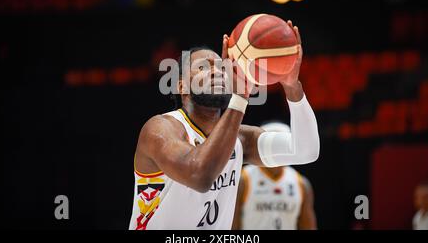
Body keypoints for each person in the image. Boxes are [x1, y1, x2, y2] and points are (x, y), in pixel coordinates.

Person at [129, 21, 320, 230]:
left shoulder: (239, 139)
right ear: (181, 85)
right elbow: (199, 176)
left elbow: (306, 151)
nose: (216, 72)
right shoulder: (160, 129)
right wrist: (240, 97)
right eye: (202, 67)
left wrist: (292, 86)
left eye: (221, 67)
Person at [232, 122, 317, 230]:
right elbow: (232, 225)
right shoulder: (243, 179)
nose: (278, 151)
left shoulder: (301, 183)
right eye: (275, 146)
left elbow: (308, 226)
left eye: (282, 146)